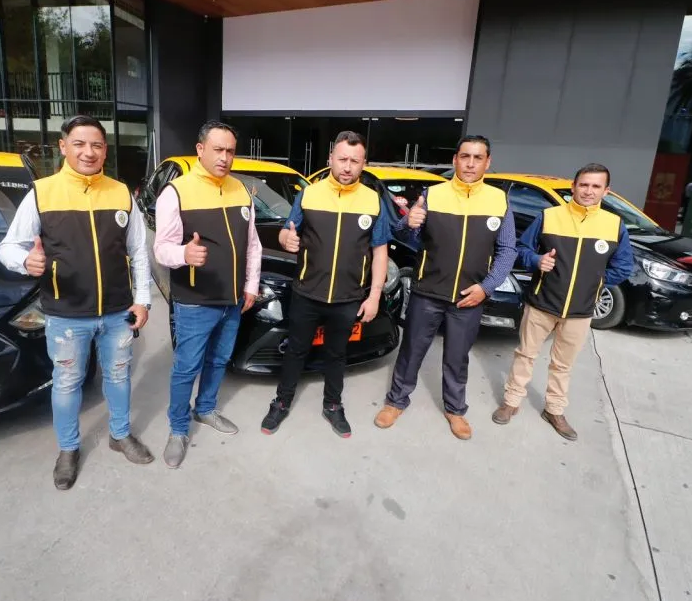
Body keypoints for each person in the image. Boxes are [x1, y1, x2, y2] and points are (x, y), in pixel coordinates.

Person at [0, 115, 153, 490]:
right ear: (63, 146)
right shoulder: (42, 193)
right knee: (67, 383)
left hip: (118, 311)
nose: (89, 152)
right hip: (66, 314)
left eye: (97, 145)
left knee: (119, 375)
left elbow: (138, 251)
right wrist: (25, 261)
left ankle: (120, 435)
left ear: (105, 150)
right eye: (80, 144)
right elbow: (9, 247)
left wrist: (143, 300)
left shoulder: (121, 193)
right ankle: (68, 449)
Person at [374, 135, 517, 439]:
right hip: (427, 292)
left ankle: (455, 409)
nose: (470, 163)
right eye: (465, 156)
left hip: (470, 297)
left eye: (478, 158)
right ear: (455, 160)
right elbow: (406, 237)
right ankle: (396, 401)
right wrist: (408, 223)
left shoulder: (499, 201)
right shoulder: (433, 195)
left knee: (457, 356)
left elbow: (507, 250)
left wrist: (486, 288)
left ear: (488, 162)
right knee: (411, 350)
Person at [260, 131, 393, 438]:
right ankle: (282, 401)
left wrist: (374, 296)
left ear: (364, 164)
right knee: (296, 350)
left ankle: (332, 405)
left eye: (355, 161)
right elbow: (287, 230)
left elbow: (380, 251)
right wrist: (286, 238)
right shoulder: (309, 194)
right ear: (330, 158)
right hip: (307, 292)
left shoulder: (372, 200)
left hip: (348, 297)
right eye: (342, 159)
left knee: (337, 354)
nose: (347, 167)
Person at [492, 163, 635, 440]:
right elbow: (522, 249)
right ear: (573, 187)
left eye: (596, 186)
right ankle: (511, 401)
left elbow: (623, 266)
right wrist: (536, 260)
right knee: (525, 355)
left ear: (606, 191)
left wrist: (596, 282)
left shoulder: (614, 225)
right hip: (541, 303)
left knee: (563, 364)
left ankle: (554, 409)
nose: (589, 191)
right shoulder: (549, 216)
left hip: (580, 310)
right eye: (584, 185)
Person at [153, 121, 261, 468]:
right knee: (187, 367)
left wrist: (250, 285)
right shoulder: (176, 192)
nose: (225, 157)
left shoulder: (241, 190)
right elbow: (161, 249)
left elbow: (253, 244)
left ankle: (206, 408)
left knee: (218, 360)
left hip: (233, 300)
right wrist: (184, 254)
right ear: (200, 149)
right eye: (218, 150)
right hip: (195, 301)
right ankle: (177, 428)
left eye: (230, 151)